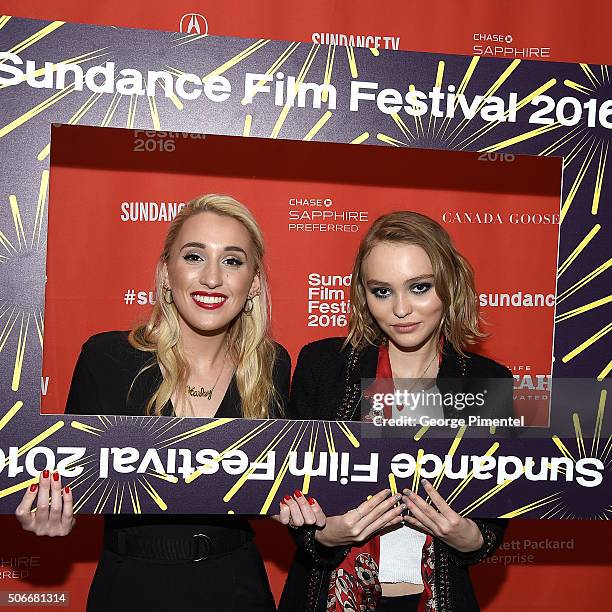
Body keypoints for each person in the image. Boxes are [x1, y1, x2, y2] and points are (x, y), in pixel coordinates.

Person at [16, 194, 291, 612]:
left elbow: (281, 488)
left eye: (233, 261)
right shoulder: (106, 359)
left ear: (253, 282)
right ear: (166, 273)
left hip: (237, 587)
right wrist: (50, 512)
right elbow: (67, 484)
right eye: (194, 256)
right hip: (131, 587)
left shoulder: (272, 366)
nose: (212, 278)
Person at [277, 211, 513, 612]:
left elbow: (494, 518)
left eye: (420, 287)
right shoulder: (324, 366)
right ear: (363, 294)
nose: (401, 309)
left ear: (451, 284)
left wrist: (468, 537)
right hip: (330, 595)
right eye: (382, 291)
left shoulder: (487, 379)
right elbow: (291, 491)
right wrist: (325, 535)